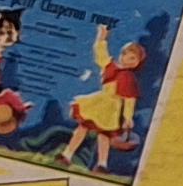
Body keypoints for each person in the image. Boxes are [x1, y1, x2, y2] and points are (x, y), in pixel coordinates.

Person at [53, 17, 150, 172]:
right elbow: (100, 53)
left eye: (134, 59)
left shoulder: (129, 78)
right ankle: (67, 155)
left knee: (104, 136)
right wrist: (102, 37)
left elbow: (129, 100)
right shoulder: (110, 66)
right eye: (128, 56)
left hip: (112, 110)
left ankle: (102, 164)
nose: (130, 60)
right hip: (99, 102)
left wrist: (128, 118)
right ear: (122, 55)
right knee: (82, 128)